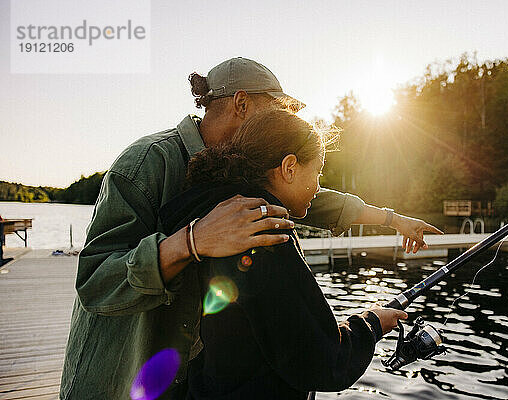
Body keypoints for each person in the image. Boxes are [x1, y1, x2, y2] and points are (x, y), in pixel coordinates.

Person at [59, 57, 442, 400]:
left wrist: (393, 219)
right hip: (117, 379)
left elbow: (311, 198)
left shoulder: (243, 180)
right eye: (274, 112)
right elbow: (95, 280)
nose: (282, 124)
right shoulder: (147, 163)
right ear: (242, 105)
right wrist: (192, 241)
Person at [159, 108, 408, 399]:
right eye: (317, 172)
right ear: (289, 168)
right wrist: (372, 323)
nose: (317, 186)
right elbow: (320, 361)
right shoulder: (266, 233)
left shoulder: (217, 216)